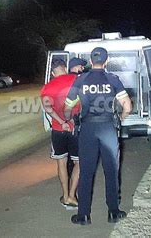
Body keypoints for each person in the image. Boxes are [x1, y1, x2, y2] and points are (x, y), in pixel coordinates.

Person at [65, 47, 132, 225]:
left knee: (86, 172)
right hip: (108, 128)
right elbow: (127, 106)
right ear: (106, 60)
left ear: (90, 60)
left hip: (87, 128)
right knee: (111, 171)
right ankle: (113, 212)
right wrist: (120, 119)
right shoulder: (113, 79)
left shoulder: (80, 79)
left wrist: (69, 118)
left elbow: (68, 105)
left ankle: (84, 215)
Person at [40, 58, 82, 210]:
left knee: (61, 162)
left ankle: (65, 196)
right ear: (65, 68)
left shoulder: (47, 87)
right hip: (75, 129)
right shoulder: (77, 80)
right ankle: (72, 195)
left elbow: (48, 108)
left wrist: (61, 121)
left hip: (58, 129)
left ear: (52, 72)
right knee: (79, 162)